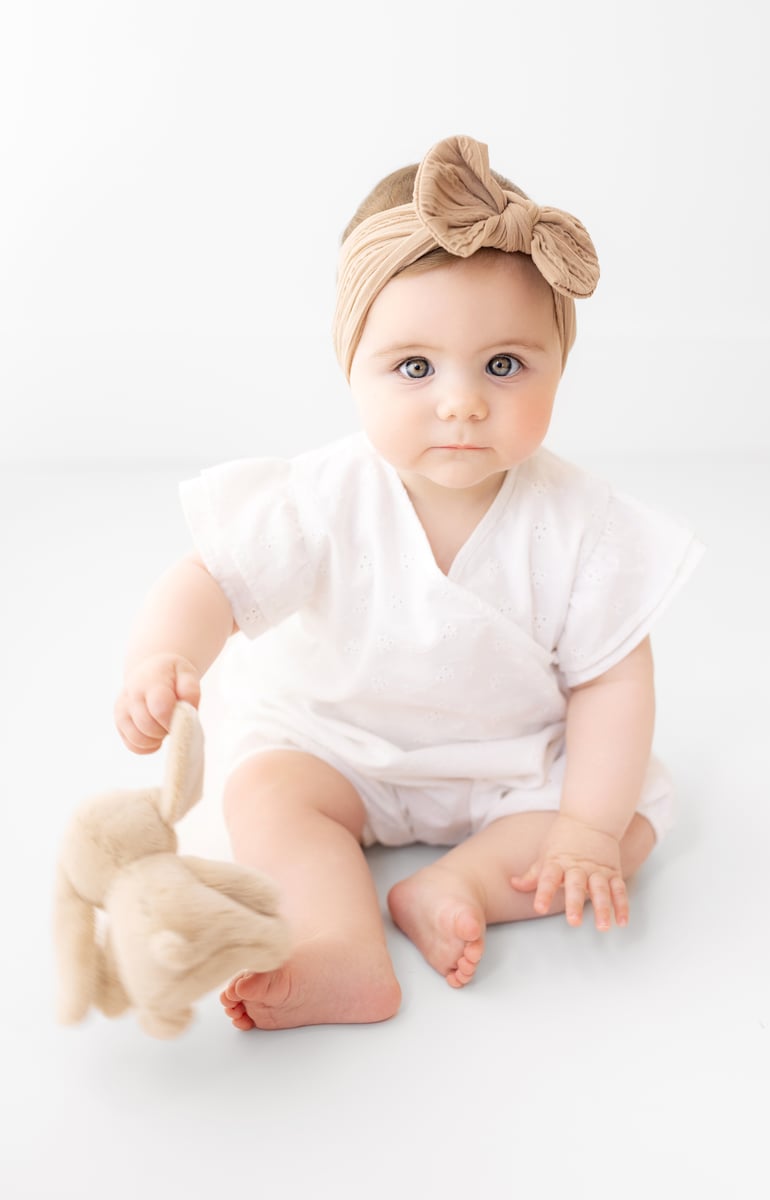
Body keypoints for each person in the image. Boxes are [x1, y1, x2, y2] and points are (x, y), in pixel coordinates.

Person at [114, 135, 703, 1031]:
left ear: (557, 363)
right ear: (352, 366)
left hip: (509, 761)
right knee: (268, 795)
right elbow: (212, 581)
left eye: (504, 365)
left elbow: (614, 682)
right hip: (336, 745)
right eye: (415, 367)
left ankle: (453, 886)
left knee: (628, 822)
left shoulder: (582, 524)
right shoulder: (322, 498)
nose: (461, 401)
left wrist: (583, 828)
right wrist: (164, 654)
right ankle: (338, 947)